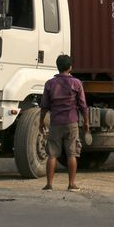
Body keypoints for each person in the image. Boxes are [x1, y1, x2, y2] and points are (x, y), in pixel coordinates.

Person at [39, 54, 89, 192]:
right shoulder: (76, 83)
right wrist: (86, 122)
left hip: (55, 122)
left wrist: (41, 121)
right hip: (71, 122)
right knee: (72, 154)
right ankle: (71, 184)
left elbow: (44, 105)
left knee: (52, 154)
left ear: (57, 66)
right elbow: (83, 105)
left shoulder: (50, 83)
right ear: (70, 67)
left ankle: (49, 185)